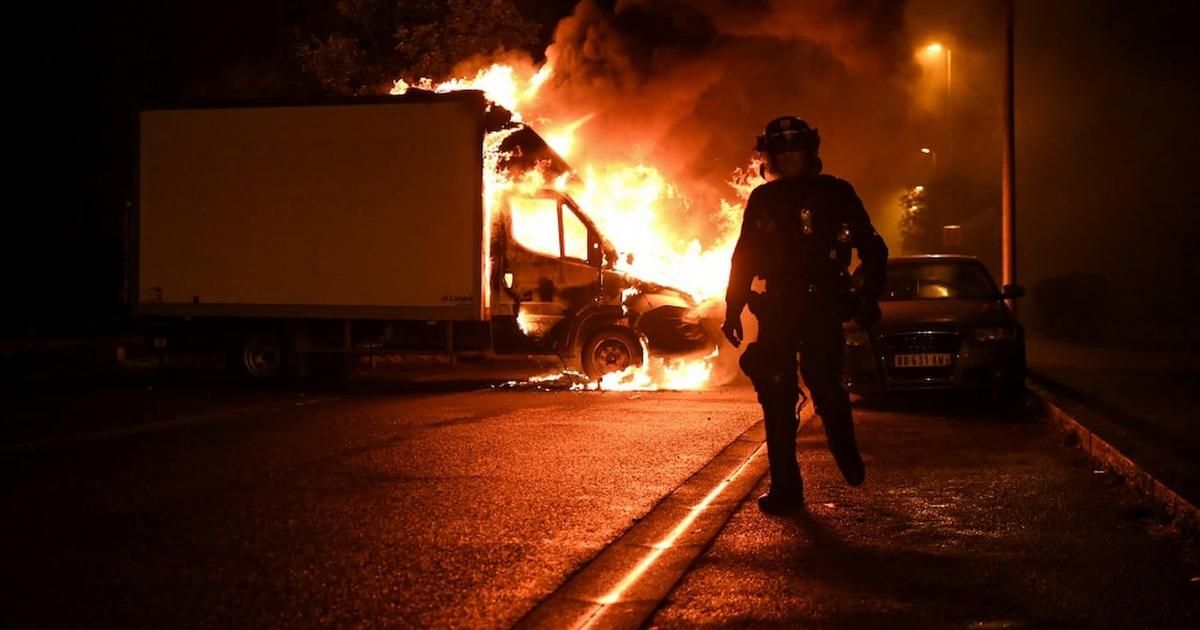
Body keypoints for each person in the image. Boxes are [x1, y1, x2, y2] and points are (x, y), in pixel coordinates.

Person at [722, 116, 888, 514]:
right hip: (778, 308)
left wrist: (867, 295)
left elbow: (873, 248)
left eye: (796, 150)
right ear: (771, 157)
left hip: (821, 306)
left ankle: (845, 449)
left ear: (811, 153)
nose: (790, 158)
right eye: (782, 151)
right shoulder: (763, 199)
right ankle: (785, 488)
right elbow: (744, 257)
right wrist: (733, 306)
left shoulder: (837, 193)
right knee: (776, 396)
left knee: (826, 386)